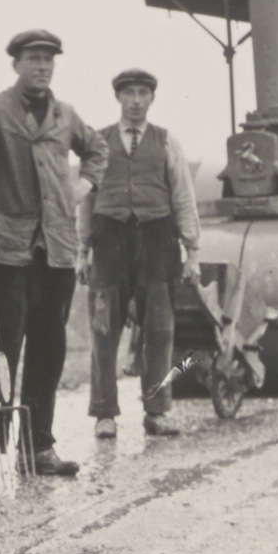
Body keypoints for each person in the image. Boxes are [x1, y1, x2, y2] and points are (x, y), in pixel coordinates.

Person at [0, 31, 108, 479]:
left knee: (49, 348)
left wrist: (84, 185)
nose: (42, 67)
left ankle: (38, 448)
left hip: (57, 249)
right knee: (2, 350)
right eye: (33, 59)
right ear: (16, 65)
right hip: (8, 249)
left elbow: (97, 149)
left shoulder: (66, 115)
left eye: (48, 60)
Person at [81, 68, 198, 441]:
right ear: (118, 97)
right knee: (103, 329)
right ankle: (104, 415)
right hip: (109, 242)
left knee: (160, 330)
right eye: (129, 93)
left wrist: (192, 251)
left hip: (157, 241)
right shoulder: (98, 142)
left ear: (151, 98)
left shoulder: (166, 142)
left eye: (142, 93)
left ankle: (157, 411)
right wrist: (81, 251)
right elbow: (87, 200)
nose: (135, 100)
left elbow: (183, 196)